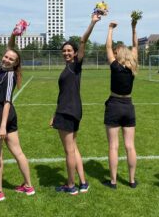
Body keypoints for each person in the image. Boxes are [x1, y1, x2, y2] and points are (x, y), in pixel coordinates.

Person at [51, 13, 101, 195]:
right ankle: (83, 183)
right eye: (64, 51)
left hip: (68, 111)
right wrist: (54, 114)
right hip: (69, 110)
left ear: (74, 53)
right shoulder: (68, 68)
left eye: (69, 51)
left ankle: (70, 186)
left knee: (68, 151)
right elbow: (63, 94)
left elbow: (82, 41)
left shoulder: (75, 65)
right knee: (74, 148)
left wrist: (92, 23)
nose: (66, 53)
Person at [0, 25, 35, 201]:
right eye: (6, 56)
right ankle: (28, 186)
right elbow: (10, 48)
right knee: (17, 152)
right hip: (4, 115)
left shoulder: (9, 75)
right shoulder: (2, 68)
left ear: (15, 63)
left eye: (11, 59)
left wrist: (2, 126)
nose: (7, 59)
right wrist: (14, 34)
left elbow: (7, 101)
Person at [103, 18, 139, 189]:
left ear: (119, 54)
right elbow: (136, 46)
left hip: (114, 105)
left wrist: (110, 29)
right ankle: (132, 181)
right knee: (130, 146)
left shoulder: (115, 66)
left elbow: (108, 47)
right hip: (129, 106)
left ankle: (113, 181)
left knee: (113, 146)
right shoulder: (133, 66)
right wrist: (133, 28)